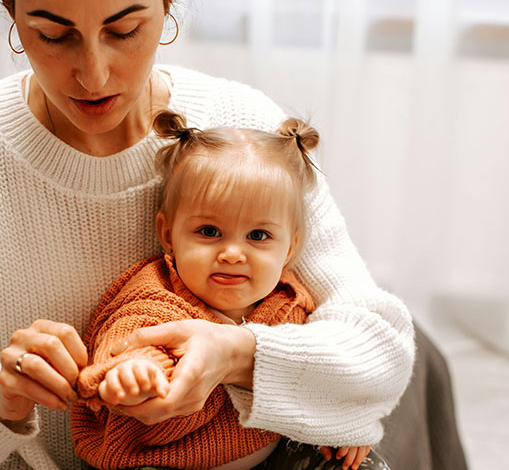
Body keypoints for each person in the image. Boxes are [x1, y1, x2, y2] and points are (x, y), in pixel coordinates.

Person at [0, 0, 414, 469]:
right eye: (54, 34)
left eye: (125, 30)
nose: (95, 75)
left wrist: (238, 355)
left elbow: (379, 344)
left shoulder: (240, 131)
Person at [71, 111, 372, 470]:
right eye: (210, 232)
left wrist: (344, 421)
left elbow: (317, 372)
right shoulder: (160, 294)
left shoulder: (291, 300)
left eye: (258, 236)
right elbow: (129, 333)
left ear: (289, 249)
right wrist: (133, 371)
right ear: (168, 235)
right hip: (158, 460)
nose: (231, 253)